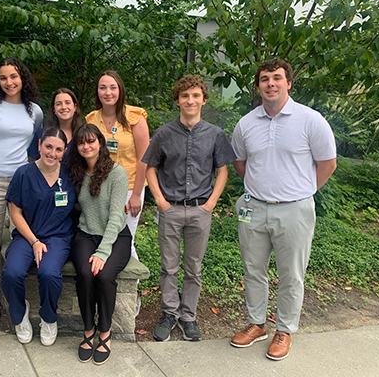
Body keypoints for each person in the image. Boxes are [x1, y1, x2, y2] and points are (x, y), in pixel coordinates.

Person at [230, 59, 337, 360]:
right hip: (253, 207)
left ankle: (285, 330)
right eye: (265, 79)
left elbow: (328, 164)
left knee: (292, 274)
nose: (271, 84)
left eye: (277, 78)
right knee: (253, 270)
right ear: (258, 86)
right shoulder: (246, 123)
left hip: (295, 210)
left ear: (289, 83)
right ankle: (256, 324)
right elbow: (240, 163)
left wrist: (302, 191)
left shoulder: (310, 120)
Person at [142, 75, 236, 342]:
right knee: (169, 267)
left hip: (200, 210)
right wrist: (159, 200)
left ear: (204, 100)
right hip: (170, 209)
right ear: (177, 101)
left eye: (195, 95)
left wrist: (211, 203)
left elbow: (222, 171)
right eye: (185, 96)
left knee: (194, 268)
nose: (190, 100)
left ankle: (188, 317)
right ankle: (169, 313)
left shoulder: (215, 134)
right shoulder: (164, 133)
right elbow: (150, 168)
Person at [0, 58, 43, 321]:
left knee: (21, 237)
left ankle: (17, 289)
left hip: (20, 182)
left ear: (22, 78)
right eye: (3, 78)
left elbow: (35, 146)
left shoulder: (33, 111)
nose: (9, 82)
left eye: (13, 76)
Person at [1, 127, 75, 346]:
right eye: (48, 146)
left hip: (57, 237)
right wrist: (33, 241)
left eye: (58, 149)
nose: (52, 153)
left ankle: (49, 318)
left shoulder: (70, 175)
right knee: (11, 273)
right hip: (26, 235)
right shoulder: (23, 173)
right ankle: (20, 315)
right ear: (40, 144)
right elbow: (15, 213)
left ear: (65, 151)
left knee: (49, 273)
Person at [68, 124, 131, 365]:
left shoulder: (117, 173)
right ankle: (88, 329)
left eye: (91, 141)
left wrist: (103, 252)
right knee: (84, 273)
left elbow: (116, 216)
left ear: (101, 143)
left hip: (115, 237)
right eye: (81, 143)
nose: (86, 146)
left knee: (103, 275)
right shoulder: (76, 171)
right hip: (85, 234)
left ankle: (105, 331)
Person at [86, 71, 150, 260]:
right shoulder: (91, 119)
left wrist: (137, 194)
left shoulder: (135, 118)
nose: (108, 92)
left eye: (113, 87)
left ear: (120, 90)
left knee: (124, 240)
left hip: (129, 187)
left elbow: (144, 158)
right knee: (103, 237)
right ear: (97, 92)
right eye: (103, 87)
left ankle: (131, 288)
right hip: (100, 187)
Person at [28, 88, 82, 160]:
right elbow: (33, 165)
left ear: (75, 107)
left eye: (67, 102)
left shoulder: (83, 135)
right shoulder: (41, 135)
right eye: (58, 104)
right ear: (54, 109)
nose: (63, 107)